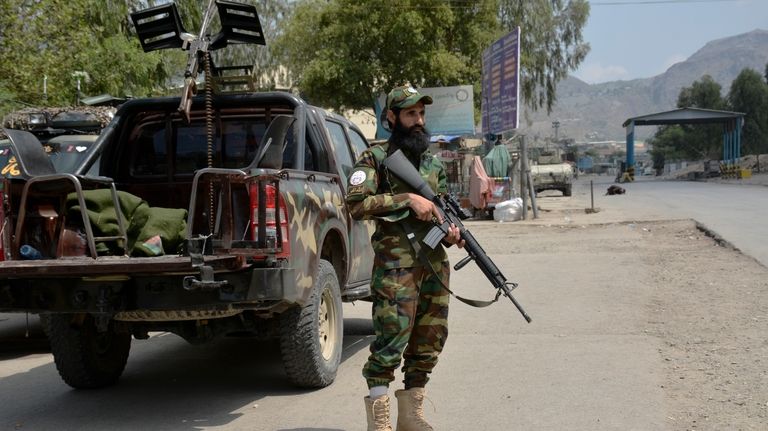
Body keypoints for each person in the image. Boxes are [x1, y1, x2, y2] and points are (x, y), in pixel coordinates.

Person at [346, 85, 464, 431]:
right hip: (397, 266)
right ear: (392, 117)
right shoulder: (374, 159)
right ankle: (379, 421)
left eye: (422, 114)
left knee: (429, 339)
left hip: (433, 266)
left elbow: (441, 209)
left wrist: (452, 231)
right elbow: (355, 204)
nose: (419, 121)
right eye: (411, 114)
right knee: (391, 338)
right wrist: (407, 200)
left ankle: (411, 416)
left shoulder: (430, 163)